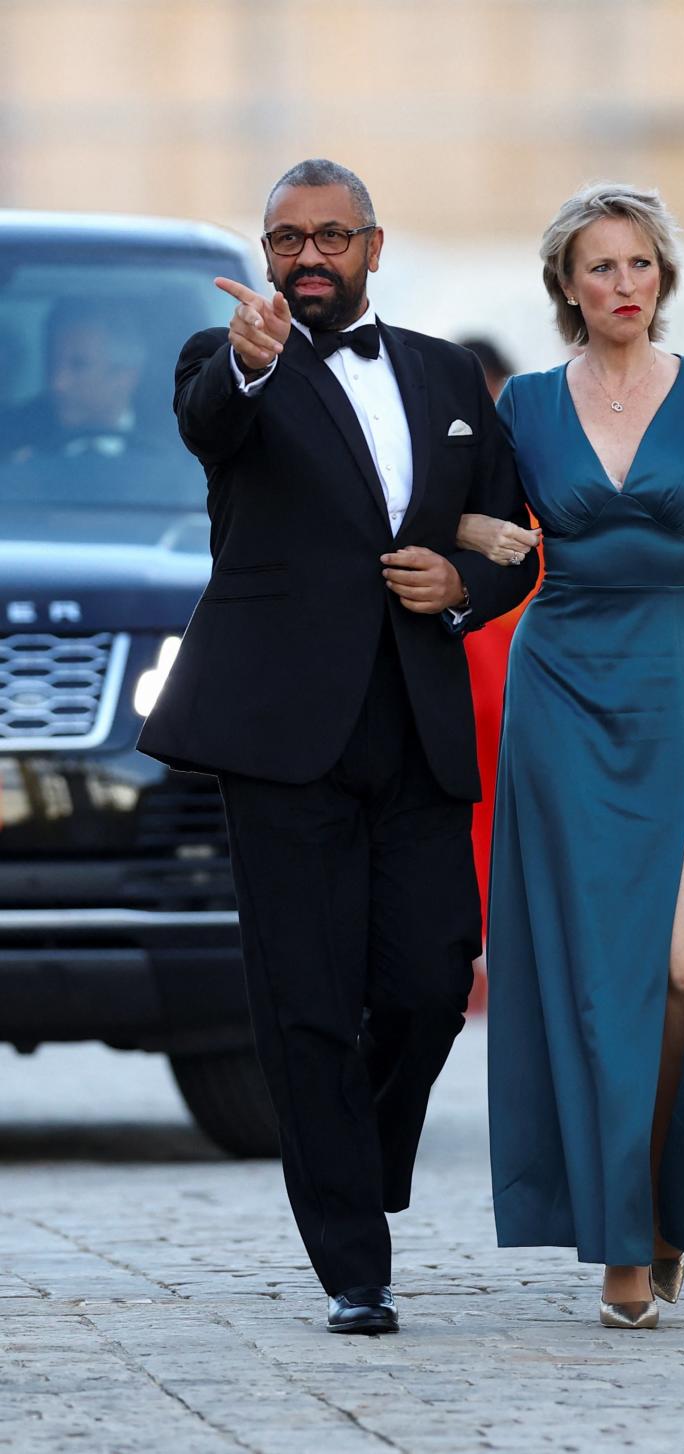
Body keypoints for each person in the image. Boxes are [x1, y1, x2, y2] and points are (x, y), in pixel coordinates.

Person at [137, 158, 538, 1335]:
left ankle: (352, 1158)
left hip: (415, 723)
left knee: (425, 985)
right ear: (264, 258)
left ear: (373, 245)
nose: (306, 257)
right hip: (277, 732)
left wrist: (458, 584)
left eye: (329, 237)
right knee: (307, 1000)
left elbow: (511, 537)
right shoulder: (227, 363)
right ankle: (353, 1263)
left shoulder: (448, 372)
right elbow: (209, 420)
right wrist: (250, 360)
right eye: (284, 240)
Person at [457, 182, 684, 1330]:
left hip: (680, 687)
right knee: (590, 973)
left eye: (641, 264)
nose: (625, 284)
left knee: (679, 967)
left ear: (662, 277)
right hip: (561, 688)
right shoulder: (523, 402)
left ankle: (665, 1199)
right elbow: (459, 522)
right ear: (567, 285)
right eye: (601, 266)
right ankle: (623, 1238)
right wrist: (487, 532)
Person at [1, 299, 146, 462]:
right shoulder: (11, 435)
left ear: (125, 377)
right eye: (52, 363)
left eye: (78, 366)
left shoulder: (172, 439)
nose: (57, 383)